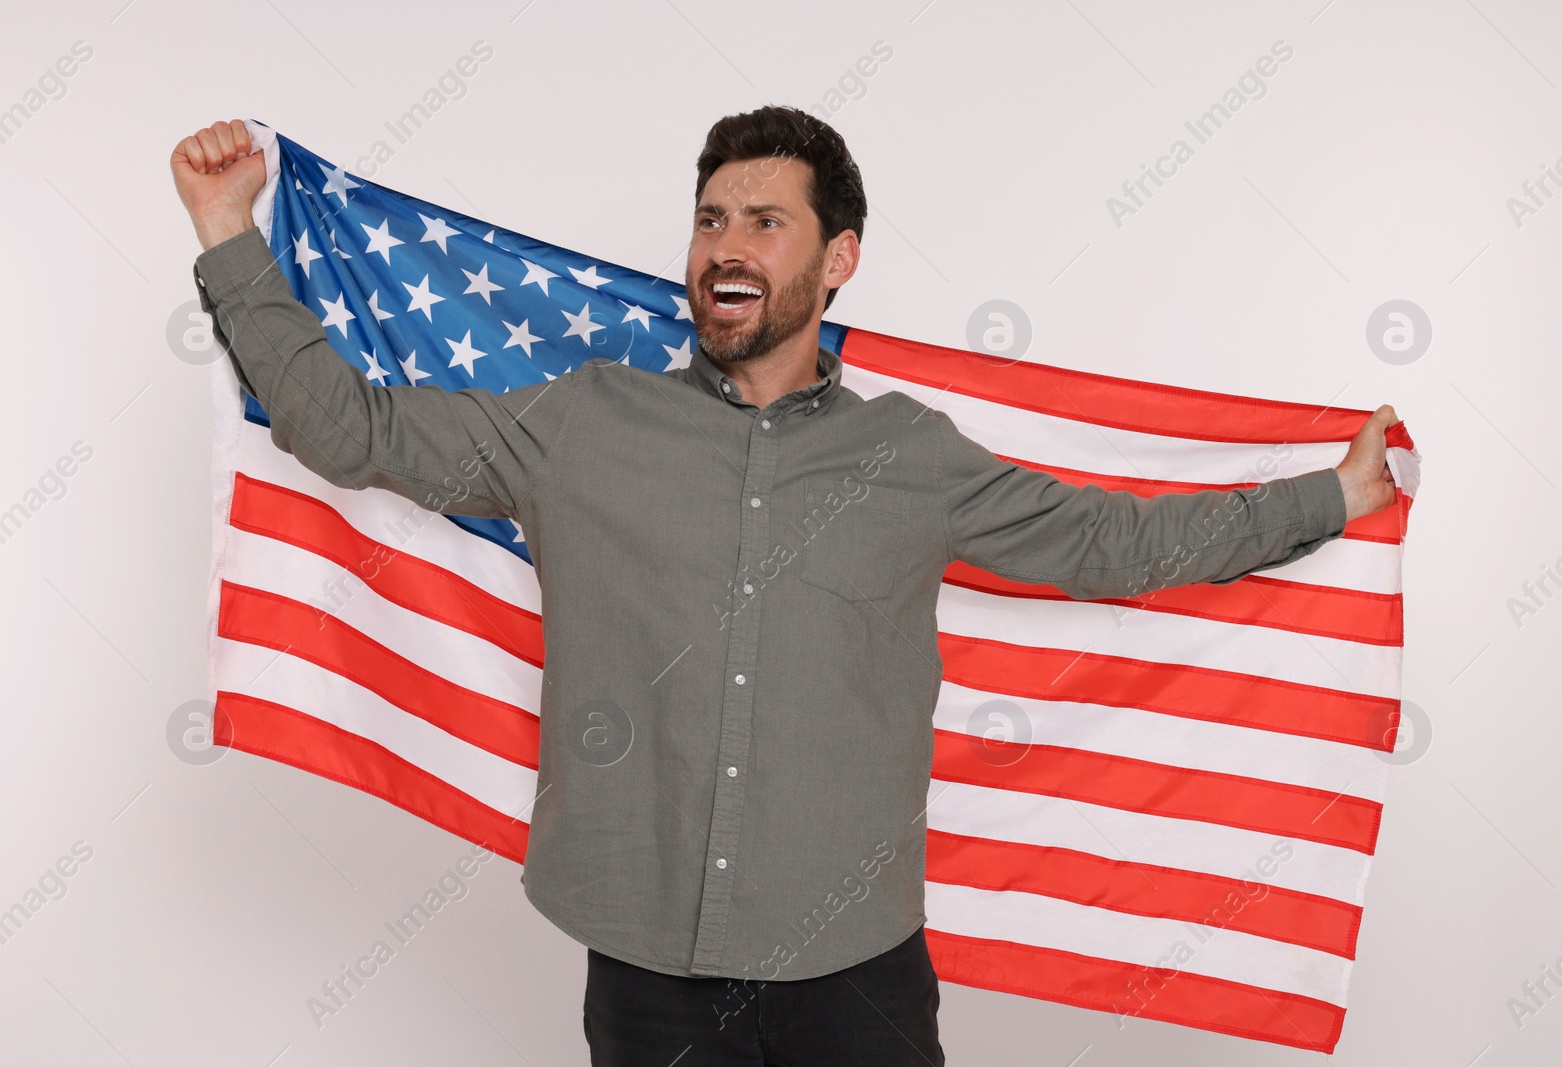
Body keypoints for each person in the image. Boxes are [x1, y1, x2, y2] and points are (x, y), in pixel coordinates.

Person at [170, 106, 1399, 1066]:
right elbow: (345, 428)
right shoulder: (584, 423)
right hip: (647, 975)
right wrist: (230, 229)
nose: (725, 246)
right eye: (710, 220)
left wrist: (1329, 500)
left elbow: (1111, 544)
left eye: (764, 221)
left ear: (837, 257)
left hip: (857, 976)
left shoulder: (909, 456)